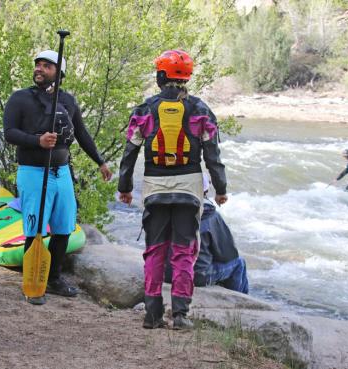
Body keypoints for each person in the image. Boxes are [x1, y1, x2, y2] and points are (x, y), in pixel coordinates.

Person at [118, 50, 228, 330]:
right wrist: (220, 189)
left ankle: (152, 314)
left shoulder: (144, 110)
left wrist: (125, 187)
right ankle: (180, 315)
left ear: (162, 76)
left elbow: (130, 152)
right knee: (183, 251)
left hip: (155, 188)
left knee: (154, 250)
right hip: (189, 189)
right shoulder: (201, 110)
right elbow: (212, 155)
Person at [3, 49, 112, 305]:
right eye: (37, 65)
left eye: (46, 66)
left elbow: (82, 134)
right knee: (35, 229)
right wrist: (37, 141)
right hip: (32, 172)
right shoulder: (20, 99)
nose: (39, 69)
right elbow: (9, 133)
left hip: (61, 172)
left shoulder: (68, 101)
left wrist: (100, 161)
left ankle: (53, 278)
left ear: (59, 73)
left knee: (63, 227)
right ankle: (33, 282)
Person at [166, 176, 248, 294]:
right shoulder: (210, 216)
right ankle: (237, 301)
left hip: (168, 273)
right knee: (239, 263)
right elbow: (228, 254)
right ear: (205, 191)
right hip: (194, 276)